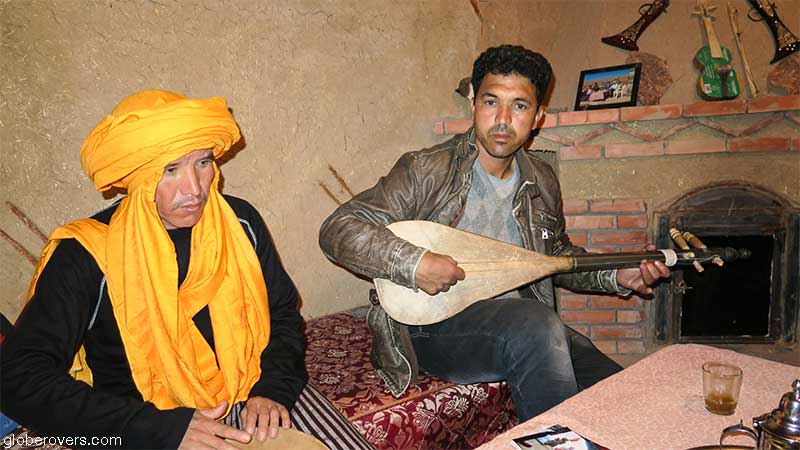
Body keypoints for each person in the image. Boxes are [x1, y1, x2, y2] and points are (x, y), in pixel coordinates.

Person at [1, 90, 372, 450]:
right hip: (144, 423)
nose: (194, 188)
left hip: (252, 389)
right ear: (138, 179)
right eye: (171, 169)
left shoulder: (240, 222)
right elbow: (18, 378)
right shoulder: (85, 254)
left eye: (204, 162)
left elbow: (281, 315)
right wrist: (154, 429)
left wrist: (273, 388)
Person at [318, 45, 670, 421]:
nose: (502, 119)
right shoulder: (426, 169)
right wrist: (414, 262)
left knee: (627, 397)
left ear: (538, 117)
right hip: (428, 327)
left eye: (519, 106)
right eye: (491, 102)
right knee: (537, 323)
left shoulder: (542, 180)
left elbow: (555, 255)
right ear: (473, 103)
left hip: (520, 321)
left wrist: (616, 275)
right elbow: (338, 229)